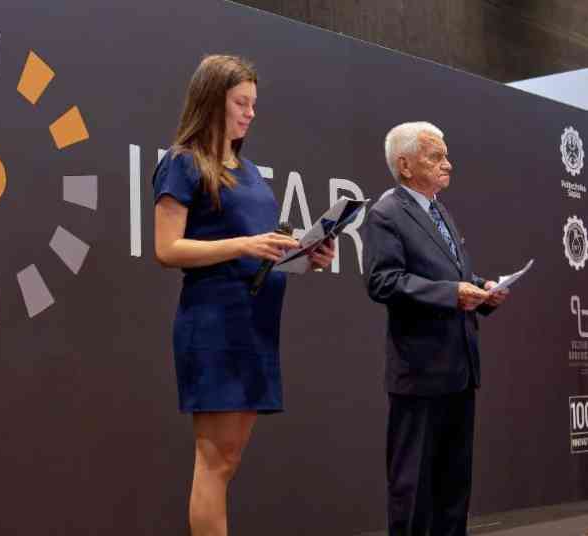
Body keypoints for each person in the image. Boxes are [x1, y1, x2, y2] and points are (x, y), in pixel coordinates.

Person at [152, 54, 334, 536]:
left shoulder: (249, 171)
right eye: (241, 103)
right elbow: (167, 249)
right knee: (214, 460)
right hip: (215, 323)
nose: (251, 113)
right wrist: (244, 245)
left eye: (253, 104)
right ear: (212, 101)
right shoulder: (182, 163)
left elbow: (262, 251)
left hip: (256, 324)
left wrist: (306, 256)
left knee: (228, 460)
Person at [362, 121, 509, 536]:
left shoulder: (439, 210)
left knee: (453, 489)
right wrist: (452, 293)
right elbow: (382, 282)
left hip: (459, 369)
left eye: (446, 155)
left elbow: (451, 275)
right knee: (413, 490)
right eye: (436, 157)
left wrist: (482, 290)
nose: (448, 164)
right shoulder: (386, 214)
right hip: (420, 372)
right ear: (405, 165)